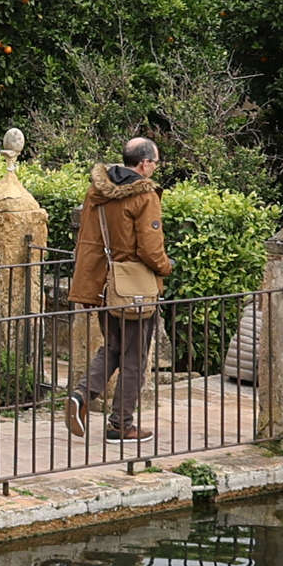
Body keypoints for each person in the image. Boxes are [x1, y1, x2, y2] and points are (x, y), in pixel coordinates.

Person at [67, 135, 170, 440]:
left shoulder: (97, 191)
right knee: (135, 357)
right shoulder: (144, 196)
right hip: (133, 288)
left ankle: (81, 396)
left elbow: (88, 241)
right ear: (145, 163)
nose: (155, 168)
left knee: (113, 346)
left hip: (103, 285)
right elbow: (150, 249)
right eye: (155, 162)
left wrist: (87, 284)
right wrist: (167, 267)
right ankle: (120, 424)